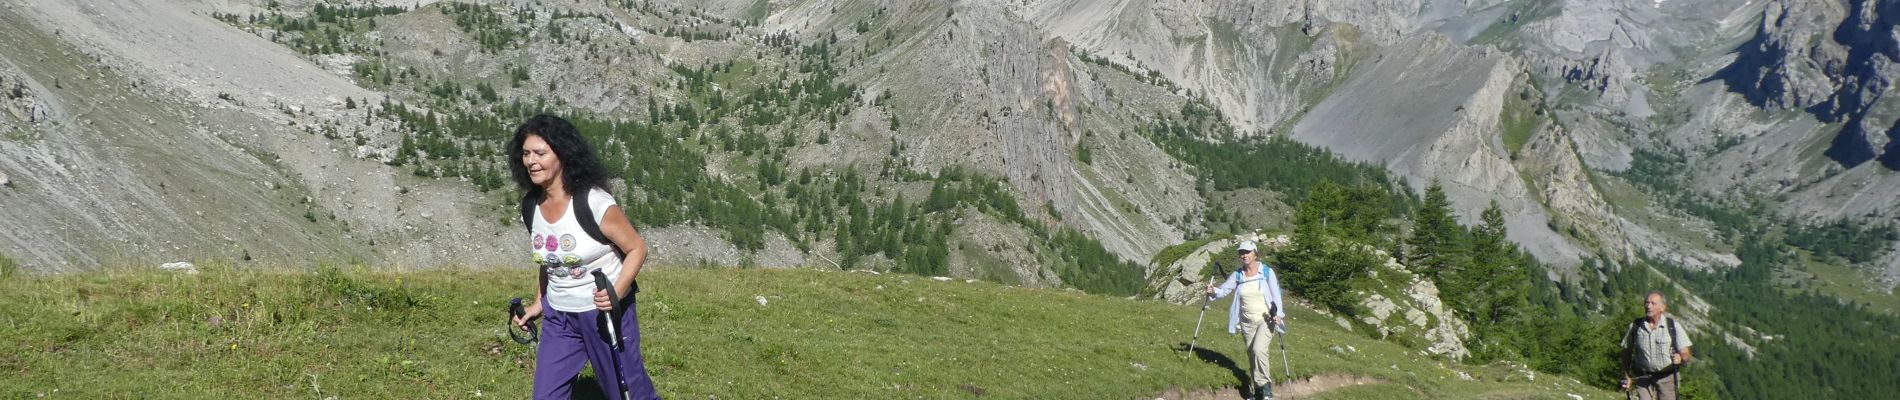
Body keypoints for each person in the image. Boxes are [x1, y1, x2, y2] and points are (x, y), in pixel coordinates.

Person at [506, 115, 660, 400]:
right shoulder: (531, 206)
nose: (531, 161)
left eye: (540, 153)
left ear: (562, 155)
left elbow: (637, 248)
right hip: (559, 319)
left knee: (626, 391)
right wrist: (539, 302)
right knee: (546, 396)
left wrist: (618, 291)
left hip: (603, 314)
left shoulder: (593, 202)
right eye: (526, 153)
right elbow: (549, 260)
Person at [1205, 240, 1287, 400]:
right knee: (1252, 355)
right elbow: (1223, 291)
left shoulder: (1266, 272)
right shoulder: (1238, 274)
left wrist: (1279, 314)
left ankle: (1266, 388)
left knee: (1259, 351)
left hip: (1266, 319)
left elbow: (1276, 296)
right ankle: (1258, 390)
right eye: (1241, 252)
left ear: (1255, 253)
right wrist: (1212, 290)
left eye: (1247, 252)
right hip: (1246, 322)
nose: (1244, 255)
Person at [1621, 290, 1693, 400]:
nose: (1648, 306)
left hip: (1667, 377)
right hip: (1643, 376)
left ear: (1662, 308)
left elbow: (1686, 354)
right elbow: (1626, 351)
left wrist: (1680, 358)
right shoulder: (1636, 326)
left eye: (1653, 303)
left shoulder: (1673, 326)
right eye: (1646, 303)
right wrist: (1627, 375)